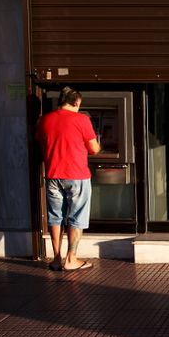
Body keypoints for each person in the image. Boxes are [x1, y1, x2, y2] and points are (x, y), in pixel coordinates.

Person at [35, 86, 101, 271]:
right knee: (76, 217)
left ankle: (56, 259)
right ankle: (71, 259)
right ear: (76, 102)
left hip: (53, 175)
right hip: (77, 175)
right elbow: (94, 149)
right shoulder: (82, 120)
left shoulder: (44, 120)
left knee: (55, 217)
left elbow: (42, 146)